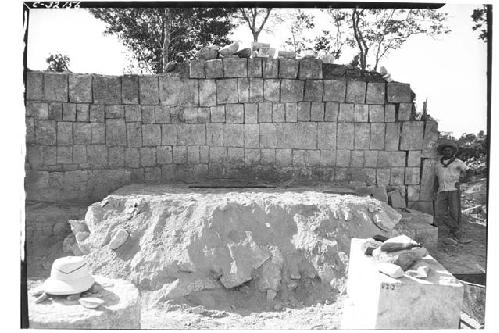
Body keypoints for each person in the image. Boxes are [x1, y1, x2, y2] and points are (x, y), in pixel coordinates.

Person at [433, 139, 471, 244]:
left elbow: (468, 171)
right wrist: (435, 190)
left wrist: (461, 181)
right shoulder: (438, 164)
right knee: (440, 213)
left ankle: (456, 234)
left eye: (449, 151)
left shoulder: (458, 162)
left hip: (453, 190)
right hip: (442, 190)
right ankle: (454, 229)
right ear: (442, 152)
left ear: (452, 152)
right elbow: (436, 178)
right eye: (445, 150)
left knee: (455, 212)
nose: (447, 152)